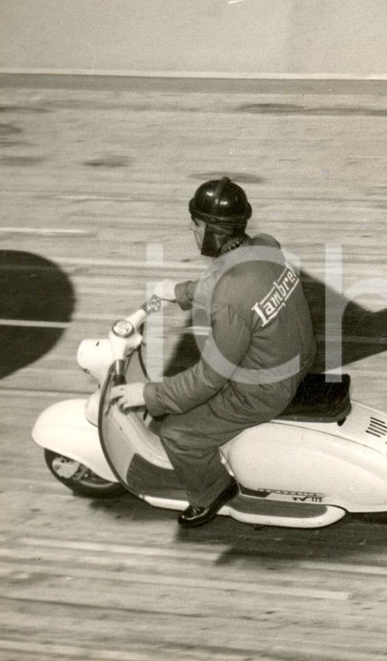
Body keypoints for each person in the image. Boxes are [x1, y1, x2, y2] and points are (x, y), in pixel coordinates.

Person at [109, 177, 317, 527]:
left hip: (264, 391)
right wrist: (179, 293)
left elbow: (210, 377)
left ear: (211, 230)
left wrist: (147, 393)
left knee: (177, 433)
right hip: (297, 356)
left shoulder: (228, 297)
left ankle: (211, 493)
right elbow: (238, 282)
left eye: (196, 224)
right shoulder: (267, 245)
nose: (192, 230)